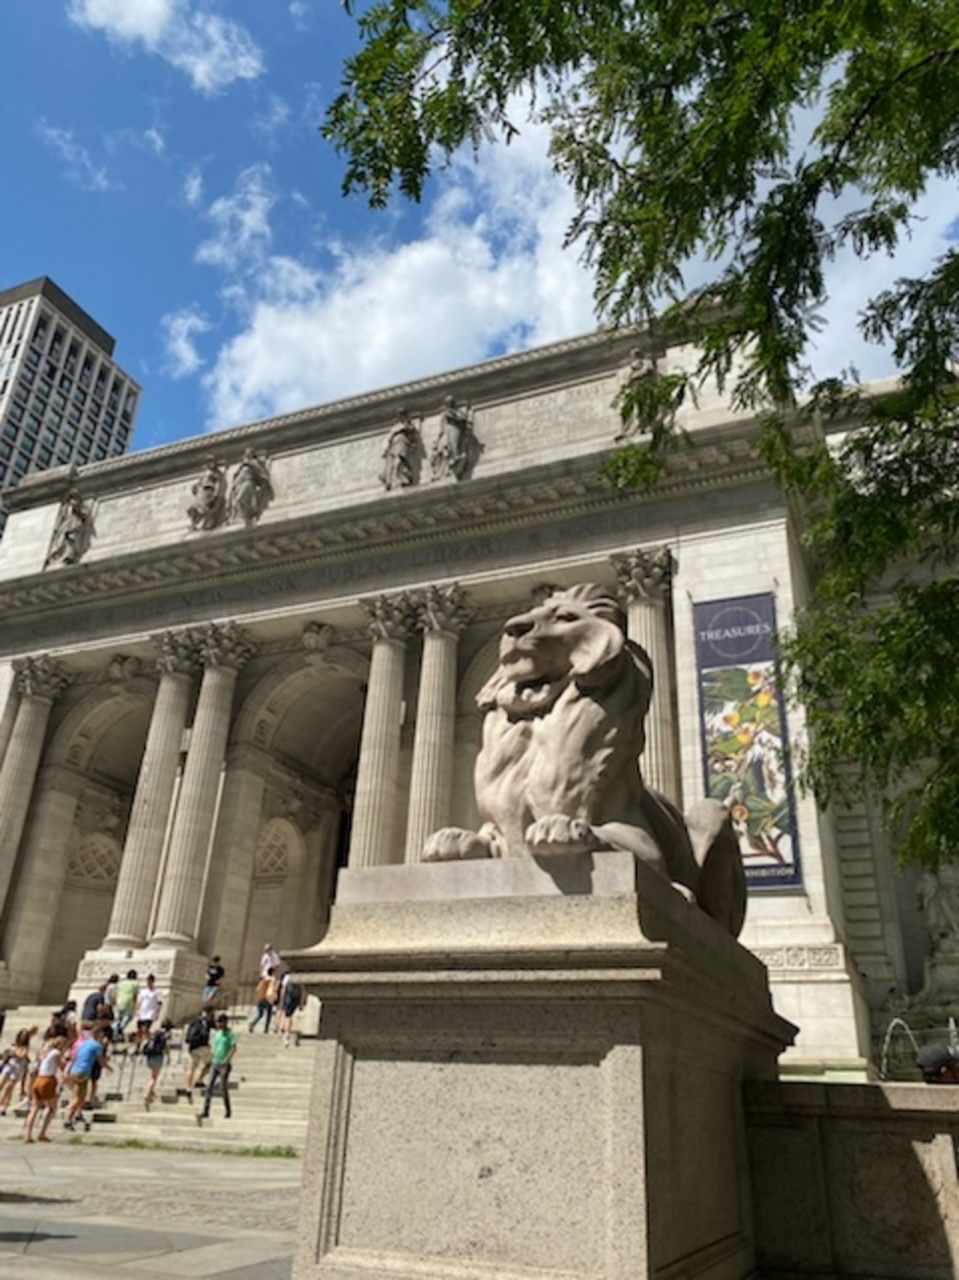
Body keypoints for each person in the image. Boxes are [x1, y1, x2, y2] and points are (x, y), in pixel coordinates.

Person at [64, 1030, 110, 1131]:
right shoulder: (96, 1045)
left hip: (75, 1070)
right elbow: (100, 1060)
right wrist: (108, 1068)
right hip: (82, 1072)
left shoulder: (83, 1043)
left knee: (81, 1097)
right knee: (78, 1098)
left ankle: (77, 1115)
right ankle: (67, 1119)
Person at [196, 1014, 237, 1124]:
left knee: (223, 1087)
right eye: (218, 1022)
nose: (218, 1024)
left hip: (224, 1064)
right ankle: (205, 1111)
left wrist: (227, 1059)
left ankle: (228, 1110)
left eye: (220, 1022)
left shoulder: (230, 1034)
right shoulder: (218, 1034)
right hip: (215, 1062)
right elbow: (215, 1046)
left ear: (225, 1022)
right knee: (209, 1086)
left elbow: (233, 1048)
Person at [24, 1036, 64, 1144]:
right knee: (52, 1108)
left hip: (39, 1078)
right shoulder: (56, 1053)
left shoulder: (44, 1053)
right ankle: (42, 1133)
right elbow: (61, 1066)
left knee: (34, 1108)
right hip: (48, 1079)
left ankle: (28, 1134)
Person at [430, 395, 472, 481]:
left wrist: (453, 416)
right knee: (443, 449)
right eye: (447, 403)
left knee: (454, 446)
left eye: (450, 402)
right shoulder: (444, 413)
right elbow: (442, 428)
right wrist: (438, 439)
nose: (448, 404)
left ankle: (455, 461)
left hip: (454, 429)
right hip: (446, 432)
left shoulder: (458, 412)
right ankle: (444, 471)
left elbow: (463, 420)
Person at [228, 449, 273, 526]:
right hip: (240, 484)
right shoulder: (242, 466)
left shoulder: (254, 463)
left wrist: (264, 481)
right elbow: (237, 476)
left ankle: (250, 516)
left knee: (239, 499)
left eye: (249, 453)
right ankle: (246, 517)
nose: (247, 455)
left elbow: (260, 472)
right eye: (246, 454)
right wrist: (234, 485)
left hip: (248, 482)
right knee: (237, 501)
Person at [0, 1027, 37, 1115]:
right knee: (1, 1084)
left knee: (9, 1087)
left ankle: (3, 1105)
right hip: (9, 1066)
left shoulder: (25, 1047)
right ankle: (3, 1105)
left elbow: (22, 1055)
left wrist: (13, 1053)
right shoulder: (14, 1045)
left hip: (17, 1068)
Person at [380, 409, 419, 489]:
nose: (400, 417)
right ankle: (391, 480)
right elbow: (389, 438)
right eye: (399, 415)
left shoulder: (408, 425)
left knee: (399, 461)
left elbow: (412, 433)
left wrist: (405, 427)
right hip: (394, 446)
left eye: (402, 415)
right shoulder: (395, 427)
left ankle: (403, 478)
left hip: (402, 444)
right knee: (392, 464)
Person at [141, 1019, 172, 1110]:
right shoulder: (166, 1034)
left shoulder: (155, 1033)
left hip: (150, 1055)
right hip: (158, 1056)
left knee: (152, 1075)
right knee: (154, 1078)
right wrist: (169, 1056)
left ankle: (152, 1092)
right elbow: (167, 1046)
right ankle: (146, 1094)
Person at [184, 1006, 215, 1093]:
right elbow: (215, 1026)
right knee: (211, 1062)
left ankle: (188, 1087)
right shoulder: (207, 1021)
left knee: (192, 1068)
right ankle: (199, 1080)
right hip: (203, 1046)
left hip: (192, 1047)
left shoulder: (194, 1021)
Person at [276, 973, 305, 1048]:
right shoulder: (299, 977)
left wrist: (281, 1000)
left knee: (287, 1016)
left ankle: (286, 1033)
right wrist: (301, 1002)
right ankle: (286, 1030)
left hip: (288, 998)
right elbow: (302, 989)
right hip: (296, 999)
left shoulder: (288, 977)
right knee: (289, 1016)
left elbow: (283, 989)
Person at [134, 974, 162, 1048]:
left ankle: (151, 1041)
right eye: (148, 981)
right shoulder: (143, 991)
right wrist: (137, 1010)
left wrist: (157, 1013)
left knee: (145, 1030)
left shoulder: (157, 992)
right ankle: (137, 1047)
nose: (149, 983)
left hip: (150, 1014)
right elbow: (139, 1002)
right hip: (142, 1013)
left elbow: (159, 1003)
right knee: (139, 1031)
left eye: (150, 981)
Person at [249, 967, 278, 1034]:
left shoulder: (263, 979)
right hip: (268, 998)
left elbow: (258, 989)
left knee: (260, 1014)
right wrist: (275, 996)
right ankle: (266, 1028)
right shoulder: (273, 979)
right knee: (269, 1014)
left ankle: (253, 1023)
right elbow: (274, 989)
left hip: (261, 998)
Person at [114, 969, 139, 1039]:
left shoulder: (121, 983)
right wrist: (135, 1004)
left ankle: (116, 1032)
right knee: (130, 1016)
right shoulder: (135, 983)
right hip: (129, 1002)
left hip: (119, 1001)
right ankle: (120, 1028)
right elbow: (135, 995)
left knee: (119, 1018)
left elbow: (117, 992)